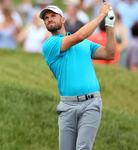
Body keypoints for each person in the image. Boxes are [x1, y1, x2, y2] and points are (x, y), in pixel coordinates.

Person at [39, 3, 116, 150]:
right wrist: (100, 15)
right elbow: (79, 36)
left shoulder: (84, 43)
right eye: (46, 18)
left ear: (63, 19)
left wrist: (109, 24)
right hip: (67, 106)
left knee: (83, 148)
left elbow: (109, 54)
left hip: (91, 103)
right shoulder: (49, 44)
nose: (49, 19)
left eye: (53, 16)